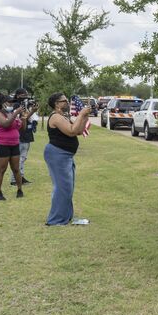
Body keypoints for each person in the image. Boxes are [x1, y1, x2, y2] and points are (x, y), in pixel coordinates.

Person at [44, 92, 91, 226]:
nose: (67, 102)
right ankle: (55, 220)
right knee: (62, 187)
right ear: (56, 104)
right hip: (57, 155)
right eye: (64, 101)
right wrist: (81, 114)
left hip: (66, 155)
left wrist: (84, 117)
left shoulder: (63, 116)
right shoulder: (55, 117)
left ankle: (66, 217)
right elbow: (70, 131)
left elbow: (78, 131)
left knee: (68, 187)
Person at [0, 93, 26, 200]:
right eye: (9, 102)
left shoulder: (11, 113)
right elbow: (6, 124)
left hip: (14, 144)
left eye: (12, 102)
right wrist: (16, 113)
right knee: (2, 169)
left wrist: (24, 116)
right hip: (2, 145)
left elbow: (22, 128)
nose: (11, 103)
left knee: (16, 169)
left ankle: (19, 190)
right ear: (2, 103)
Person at [11, 88, 38, 186]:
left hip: (26, 132)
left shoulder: (24, 105)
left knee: (23, 157)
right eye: (23, 95)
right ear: (18, 95)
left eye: (26, 94)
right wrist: (32, 111)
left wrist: (33, 110)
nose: (26, 96)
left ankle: (20, 177)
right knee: (20, 158)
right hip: (21, 133)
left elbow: (26, 117)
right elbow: (21, 119)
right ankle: (15, 179)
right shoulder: (17, 105)